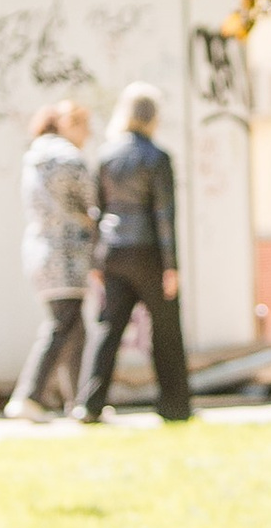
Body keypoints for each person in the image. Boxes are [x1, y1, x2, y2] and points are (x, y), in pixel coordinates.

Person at [76, 82, 192, 428]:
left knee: (107, 329)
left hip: (113, 252)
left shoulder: (107, 155)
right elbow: (163, 216)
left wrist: (97, 260)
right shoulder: (157, 157)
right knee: (167, 330)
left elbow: (98, 210)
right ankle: (174, 406)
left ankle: (89, 404)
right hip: (149, 254)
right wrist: (171, 267)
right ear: (153, 118)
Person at [7, 100, 96, 420]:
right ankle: (29, 396)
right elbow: (92, 202)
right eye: (83, 125)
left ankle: (79, 401)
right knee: (63, 324)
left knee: (72, 325)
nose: (88, 133)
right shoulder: (70, 159)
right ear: (67, 124)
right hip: (67, 252)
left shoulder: (34, 159)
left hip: (38, 250)